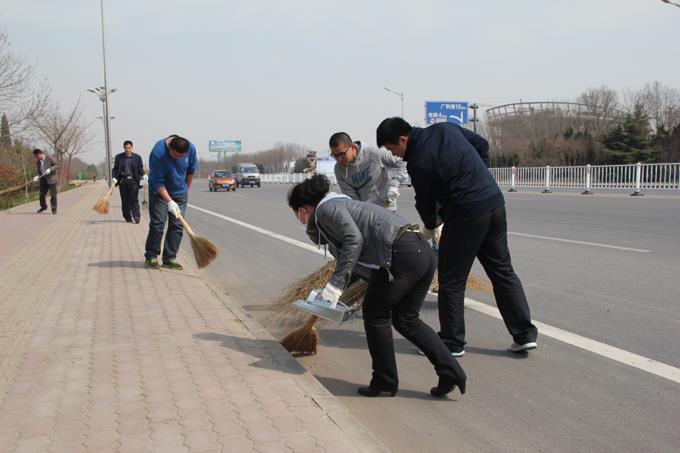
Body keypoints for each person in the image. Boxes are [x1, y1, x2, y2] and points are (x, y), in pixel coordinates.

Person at [288, 174, 466, 397]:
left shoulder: (326, 210)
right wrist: (335, 289)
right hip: (420, 252)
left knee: (375, 315)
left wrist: (335, 286)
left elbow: (353, 240)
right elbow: (355, 260)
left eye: (297, 214)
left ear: (302, 210)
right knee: (406, 319)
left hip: (400, 256)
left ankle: (384, 380)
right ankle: (451, 372)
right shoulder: (341, 203)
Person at [376, 117, 538, 356]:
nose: (395, 156)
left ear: (403, 139)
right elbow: (482, 145)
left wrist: (430, 226)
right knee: (502, 271)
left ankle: (452, 342)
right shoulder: (446, 128)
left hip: (465, 214)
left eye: (393, 149)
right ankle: (524, 334)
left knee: (451, 280)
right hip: (493, 203)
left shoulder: (418, 161)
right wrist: (479, 176)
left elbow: (426, 202)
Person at [144, 135, 197, 270]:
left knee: (177, 226)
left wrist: (185, 190)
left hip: (179, 192)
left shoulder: (190, 148)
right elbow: (157, 181)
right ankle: (151, 256)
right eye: (175, 155)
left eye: (181, 156)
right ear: (169, 147)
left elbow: (191, 171)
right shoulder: (158, 153)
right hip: (159, 192)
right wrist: (169, 201)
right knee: (158, 224)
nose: (178, 158)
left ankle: (169, 258)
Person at [330, 132, 407, 211]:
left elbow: (402, 161)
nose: (339, 159)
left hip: (387, 206)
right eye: (335, 155)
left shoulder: (374, 152)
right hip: (368, 211)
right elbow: (353, 199)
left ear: (352, 147)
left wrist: (394, 185)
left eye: (342, 154)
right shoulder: (339, 170)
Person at [112, 140, 146, 223]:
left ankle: (136, 216)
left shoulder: (137, 157)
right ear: (124, 148)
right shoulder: (119, 157)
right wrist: (114, 177)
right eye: (126, 148)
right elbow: (115, 169)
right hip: (123, 181)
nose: (127, 149)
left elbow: (140, 168)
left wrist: (143, 174)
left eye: (129, 148)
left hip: (133, 180)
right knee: (125, 200)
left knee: (134, 199)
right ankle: (127, 217)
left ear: (132, 148)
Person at [32, 148, 58, 214]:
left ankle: (54, 208)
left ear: (40, 154)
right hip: (43, 179)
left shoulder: (49, 157)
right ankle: (43, 207)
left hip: (51, 179)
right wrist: (37, 177)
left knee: (53, 194)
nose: (36, 158)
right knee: (41, 194)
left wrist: (50, 169)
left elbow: (57, 165)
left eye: (36, 156)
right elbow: (40, 172)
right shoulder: (38, 162)